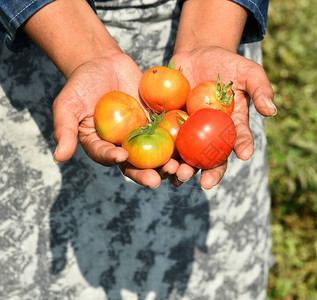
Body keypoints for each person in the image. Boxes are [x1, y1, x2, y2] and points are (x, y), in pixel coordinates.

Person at [0, 0, 276, 299]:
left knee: (210, 269)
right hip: (47, 36)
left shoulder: (211, 94)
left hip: (217, 23)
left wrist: (210, 38)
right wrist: (83, 53)